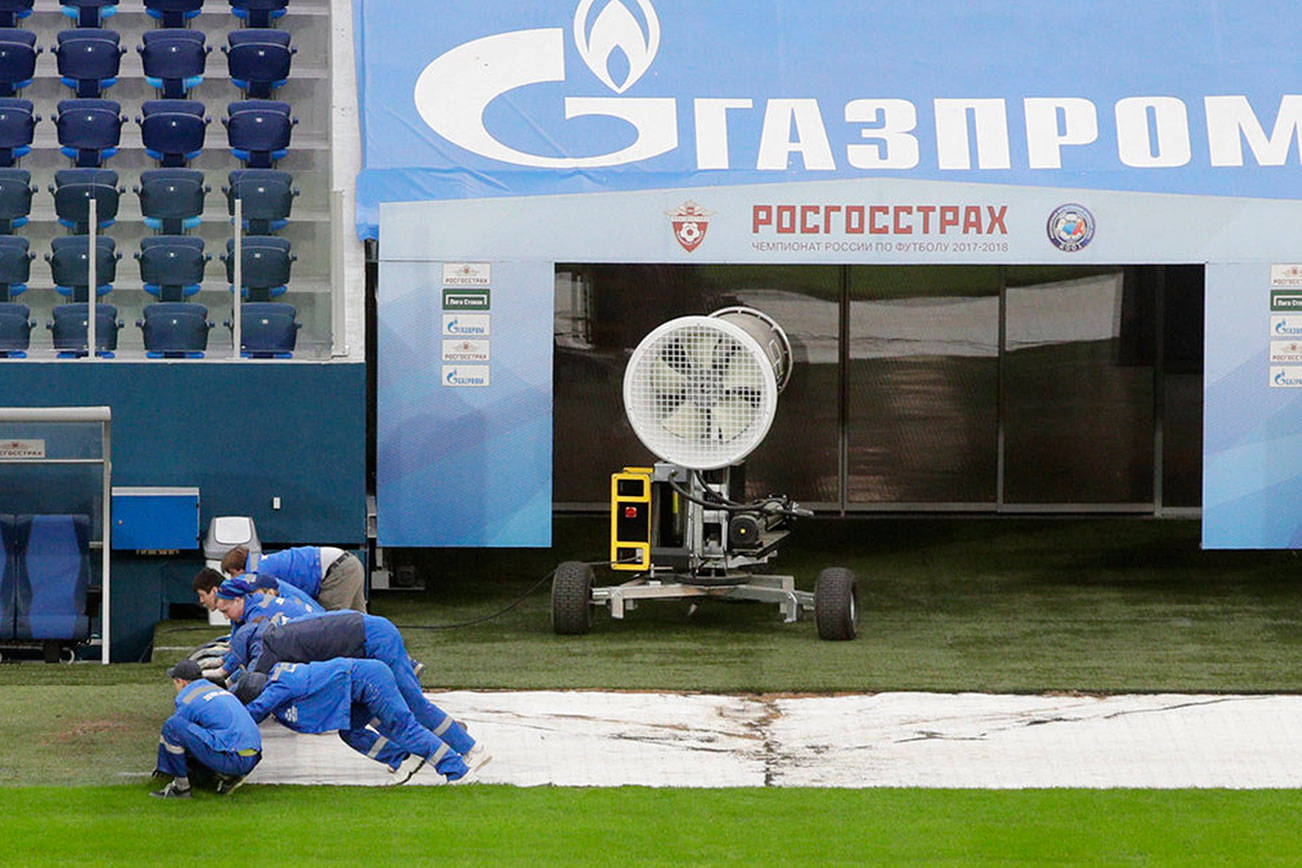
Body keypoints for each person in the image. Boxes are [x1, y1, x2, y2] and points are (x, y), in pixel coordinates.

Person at [244, 609, 482, 767]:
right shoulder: (279, 632)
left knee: (413, 705)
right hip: (370, 636)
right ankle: (407, 755)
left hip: (372, 640)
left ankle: (469, 748)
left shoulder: (270, 649)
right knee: (362, 722)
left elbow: (256, 686)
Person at [233, 660, 480, 784]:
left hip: (367, 681)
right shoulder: (278, 675)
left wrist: (232, 726)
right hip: (357, 686)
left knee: (405, 728)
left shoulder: (278, 687)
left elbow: (257, 709)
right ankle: (403, 759)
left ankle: (458, 772)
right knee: (351, 732)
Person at [152, 659, 262, 798]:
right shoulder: (217, 689)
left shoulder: (187, 698)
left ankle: (181, 789)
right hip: (252, 757)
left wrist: (164, 767)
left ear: (182, 682)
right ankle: (226, 776)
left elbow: (175, 733)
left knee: (173, 725)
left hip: (232, 758)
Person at [206, 578, 320, 682]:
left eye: (226, 611)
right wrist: (224, 661)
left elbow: (258, 659)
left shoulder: (257, 614)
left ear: (237, 600)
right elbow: (238, 642)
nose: (226, 617)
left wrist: (227, 677)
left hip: (313, 644)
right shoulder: (252, 601)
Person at [222, 544, 367, 612]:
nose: (234, 579)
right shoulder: (263, 561)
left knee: (331, 624)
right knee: (360, 620)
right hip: (347, 562)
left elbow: (262, 602)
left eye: (232, 574)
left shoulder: (257, 573)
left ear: (238, 569)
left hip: (335, 571)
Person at [193, 566, 316, 613]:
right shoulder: (242, 586)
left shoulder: (245, 591)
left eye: (202, 595)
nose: (201, 600)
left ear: (214, 591)